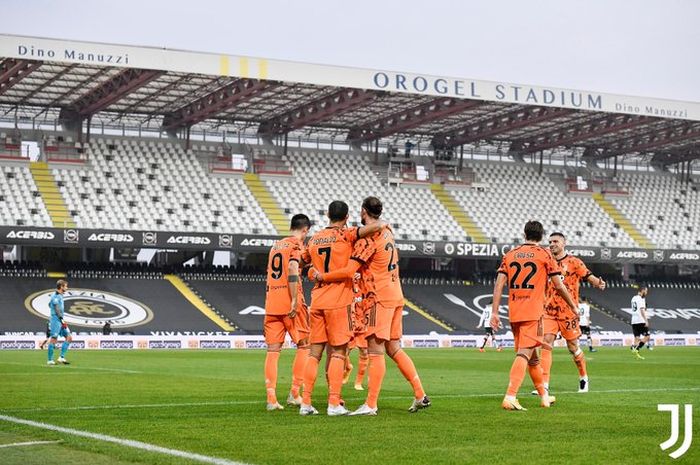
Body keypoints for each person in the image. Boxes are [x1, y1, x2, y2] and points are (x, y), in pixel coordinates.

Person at [312, 197, 430, 416]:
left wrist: (322, 275)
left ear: (363, 211)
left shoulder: (369, 238)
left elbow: (349, 270)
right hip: (396, 295)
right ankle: (420, 394)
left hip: (379, 297)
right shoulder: (388, 233)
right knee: (394, 348)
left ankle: (371, 404)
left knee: (375, 351)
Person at [299, 200, 383, 416]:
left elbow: (302, 263)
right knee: (338, 352)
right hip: (338, 301)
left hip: (317, 300)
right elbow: (377, 226)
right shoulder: (347, 235)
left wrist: (313, 274)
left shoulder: (315, 238)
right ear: (346, 218)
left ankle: (305, 403)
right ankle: (333, 403)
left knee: (314, 353)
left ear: (327, 214)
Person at [490, 221, 577, 411]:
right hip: (534, 312)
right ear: (541, 235)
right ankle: (510, 396)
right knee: (525, 353)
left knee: (534, 358)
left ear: (524, 234)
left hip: (514, 312)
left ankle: (544, 397)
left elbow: (498, 285)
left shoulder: (510, 254)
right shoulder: (544, 255)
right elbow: (559, 285)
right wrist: (573, 306)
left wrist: (495, 313)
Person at [540, 232, 606, 394]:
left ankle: (583, 377)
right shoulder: (546, 261)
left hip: (569, 312)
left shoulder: (574, 262)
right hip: (549, 312)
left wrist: (598, 283)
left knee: (573, 347)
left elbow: (588, 276)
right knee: (546, 343)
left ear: (564, 243)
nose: (552, 244)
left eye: (555, 241)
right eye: (550, 241)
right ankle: (544, 384)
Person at [263, 214, 312, 411]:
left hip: (271, 303)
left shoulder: (275, 246)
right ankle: (294, 393)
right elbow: (292, 267)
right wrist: (293, 299)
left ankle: (271, 399)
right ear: (305, 230)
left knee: (273, 351)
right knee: (305, 345)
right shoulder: (296, 245)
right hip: (290, 303)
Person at [47, 279, 72, 365]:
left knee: (69, 337)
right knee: (54, 339)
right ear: (61, 287)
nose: (67, 288)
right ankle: (50, 360)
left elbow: (49, 304)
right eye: (66, 286)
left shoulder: (59, 296)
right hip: (56, 319)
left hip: (60, 319)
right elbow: (57, 309)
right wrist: (61, 319)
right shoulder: (56, 296)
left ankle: (61, 357)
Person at [630, 286, 650, 360]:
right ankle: (637, 348)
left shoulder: (633, 298)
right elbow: (642, 310)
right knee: (647, 336)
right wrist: (646, 320)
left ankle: (635, 351)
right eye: (646, 291)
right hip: (640, 320)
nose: (647, 293)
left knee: (637, 338)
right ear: (642, 290)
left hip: (634, 321)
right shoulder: (641, 299)